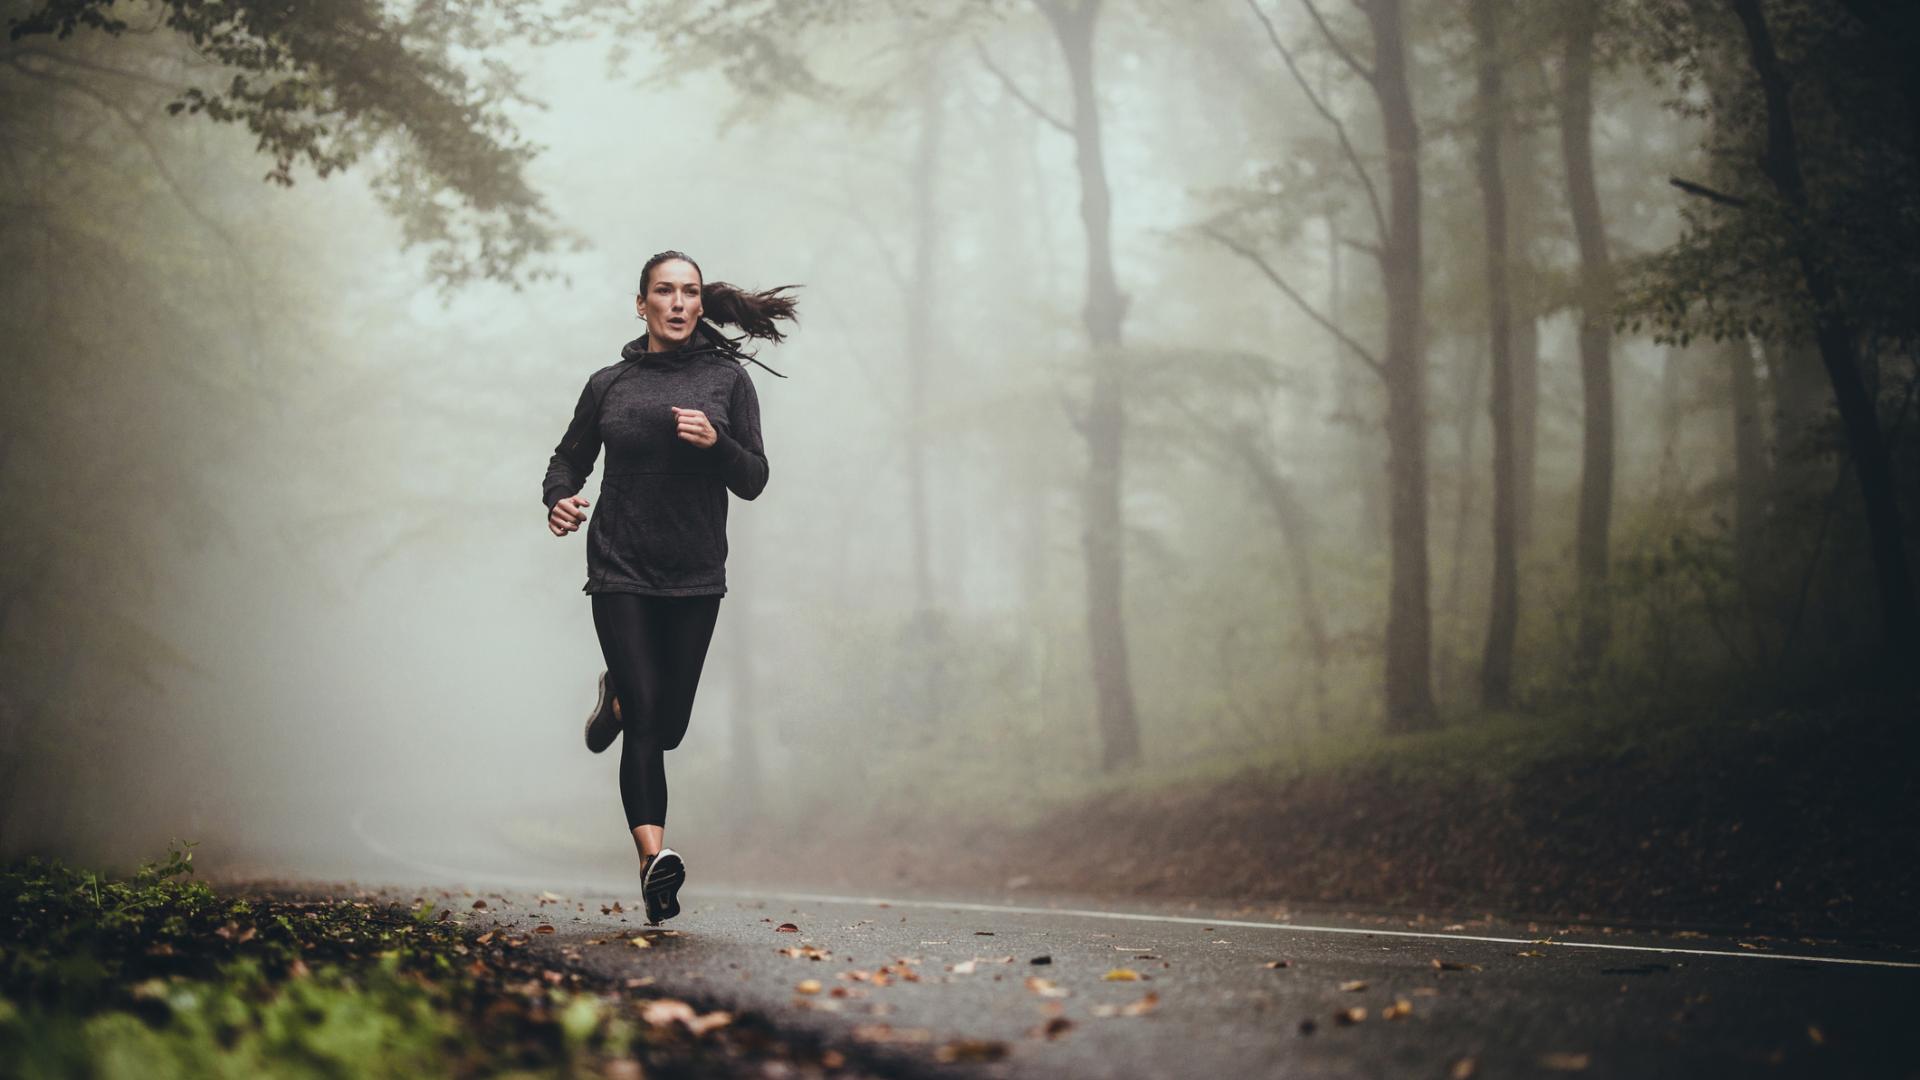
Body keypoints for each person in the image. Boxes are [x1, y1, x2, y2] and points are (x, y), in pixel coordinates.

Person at [542, 250, 796, 925]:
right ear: (641, 303)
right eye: (664, 291)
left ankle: (616, 699)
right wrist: (561, 500)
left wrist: (716, 443)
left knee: (670, 723)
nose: (678, 303)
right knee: (651, 720)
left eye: (689, 292)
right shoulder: (609, 384)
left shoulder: (727, 381)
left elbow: (754, 478)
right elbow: (568, 459)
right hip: (619, 568)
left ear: (699, 304)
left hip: (694, 572)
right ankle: (654, 861)